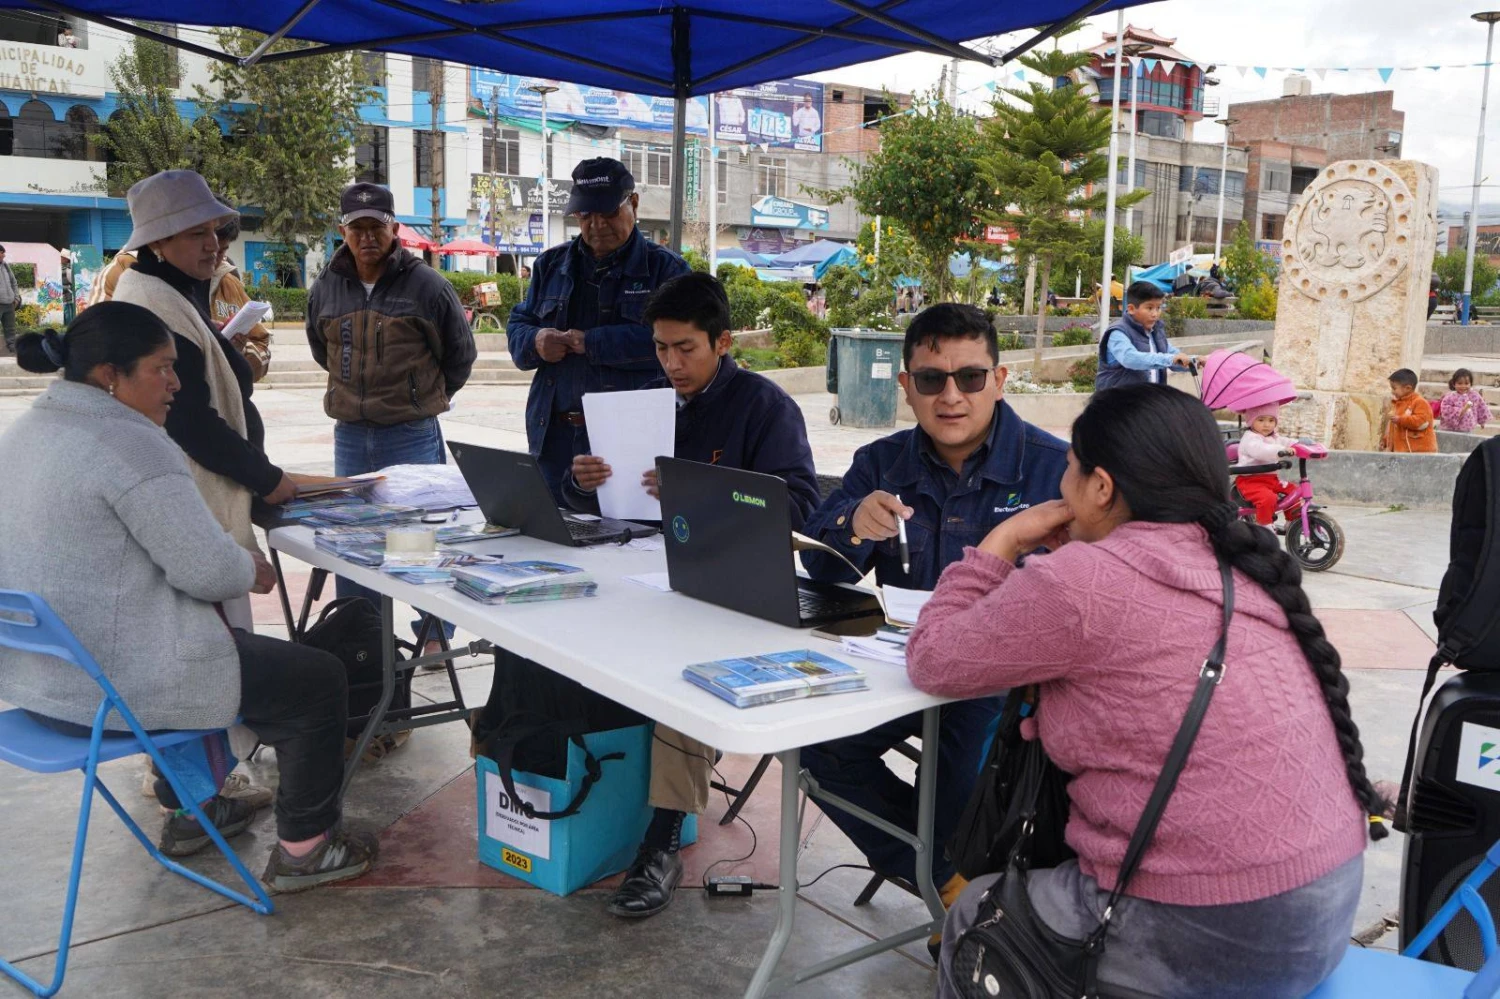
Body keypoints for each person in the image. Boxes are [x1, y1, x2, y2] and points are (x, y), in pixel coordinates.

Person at [920, 384, 1383, 998]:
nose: (1061, 487)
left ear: (1102, 487)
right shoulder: (1244, 562)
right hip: (1323, 913)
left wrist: (1001, 544)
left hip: (1209, 930)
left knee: (975, 911)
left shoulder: (1079, 581)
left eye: (1069, 469)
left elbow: (934, 658)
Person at [4, 304, 377, 889]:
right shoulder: (131, 444)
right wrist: (244, 567)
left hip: (39, 683)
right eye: (162, 369)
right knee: (315, 678)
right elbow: (206, 570)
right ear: (110, 375)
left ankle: (195, 812)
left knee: (204, 636)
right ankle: (307, 847)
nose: (177, 384)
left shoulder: (27, 431)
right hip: (108, 692)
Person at [799, 303, 1069, 945]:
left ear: (1000, 381)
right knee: (814, 748)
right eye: (931, 380)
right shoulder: (880, 463)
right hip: (902, 667)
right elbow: (822, 571)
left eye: (971, 378)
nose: (951, 396)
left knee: (970, 738)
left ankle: (959, 885)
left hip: (1009, 676)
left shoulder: (1055, 468)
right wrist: (849, 526)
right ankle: (947, 882)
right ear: (905, 386)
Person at [564, 271, 820, 918]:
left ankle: (659, 840)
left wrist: (699, 490)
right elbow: (614, 503)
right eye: (661, 348)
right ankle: (545, 782)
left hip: (733, 589)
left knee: (684, 669)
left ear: (724, 341)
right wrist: (582, 482)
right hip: (650, 575)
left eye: (686, 348)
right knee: (554, 624)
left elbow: (802, 508)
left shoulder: (765, 408)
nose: (672, 363)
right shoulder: (647, 405)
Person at [110, 170, 297, 631]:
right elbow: (188, 420)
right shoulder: (154, 302)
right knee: (218, 648)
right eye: (197, 233)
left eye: (214, 230)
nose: (212, 243)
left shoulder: (175, 291)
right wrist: (266, 478)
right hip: (193, 504)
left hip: (205, 494)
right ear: (157, 243)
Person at [306, 182, 476, 650]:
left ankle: (436, 633)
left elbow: (459, 357)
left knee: (415, 541)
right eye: (356, 228)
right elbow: (322, 349)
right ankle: (364, 639)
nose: (366, 238)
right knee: (355, 544)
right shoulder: (326, 286)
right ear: (343, 231)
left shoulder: (428, 286)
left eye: (375, 227)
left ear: (394, 228)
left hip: (410, 434)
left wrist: (420, 399)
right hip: (350, 436)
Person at [507, 157, 690, 500]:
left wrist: (592, 342)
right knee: (554, 534)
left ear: (633, 203)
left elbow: (679, 345)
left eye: (607, 212)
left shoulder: (666, 270)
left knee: (626, 538)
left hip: (626, 439)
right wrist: (535, 340)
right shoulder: (550, 264)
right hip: (553, 436)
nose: (597, 225)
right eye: (585, 215)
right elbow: (519, 323)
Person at [1095, 281, 1198, 391]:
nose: (1155, 314)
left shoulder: (1156, 331)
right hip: (1119, 404)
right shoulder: (1118, 333)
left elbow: (1172, 355)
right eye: (1149, 308)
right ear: (1131, 309)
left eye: (1158, 308)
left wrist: (1195, 361)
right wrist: (1171, 359)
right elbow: (1130, 358)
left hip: (1148, 401)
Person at [210, 215, 272, 382]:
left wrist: (241, 351)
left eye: (221, 251)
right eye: (207, 248)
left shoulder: (230, 282)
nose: (213, 258)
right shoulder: (166, 288)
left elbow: (263, 349)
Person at [1234, 402, 1301, 526]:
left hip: (1270, 480)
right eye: (1261, 420)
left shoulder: (1274, 437)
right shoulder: (1250, 438)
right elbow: (1261, 450)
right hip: (1250, 482)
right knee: (1267, 498)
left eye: (1271, 420)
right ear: (1250, 421)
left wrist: (1301, 444)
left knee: (1294, 491)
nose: (1267, 425)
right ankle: (1265, 527)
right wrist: (1281, 450)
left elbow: (1286, 441)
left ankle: (1294, 523)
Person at [1382, 368, 1438, 453]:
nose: (1392, 392)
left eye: (1394, 388)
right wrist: (1386, 441)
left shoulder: (1420, 402)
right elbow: (1392, 428)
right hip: (1402, 451)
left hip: (1419, 453)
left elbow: (1422, 422)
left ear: (1408, 388)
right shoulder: (1398, 404)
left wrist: (1400, 419)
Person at [1438, 367, 1492, 433]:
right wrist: (1460, 411)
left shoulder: (1474, 395)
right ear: (1454, 384)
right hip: (1450, 429)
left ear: (1470, 384)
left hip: (1467, 428)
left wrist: (1482, 421)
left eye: (1466, 383)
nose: (1463, 386)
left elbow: (1481, 407)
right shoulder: (1450, 396)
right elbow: (1445, 409)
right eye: (1460, 383)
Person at [0, 244, 19, 353]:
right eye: (2, 253)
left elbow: (14, 282)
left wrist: (16, 298)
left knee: (10, 328)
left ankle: (12, 347)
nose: (4, 255)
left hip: (9, 303)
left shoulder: (6, 266)